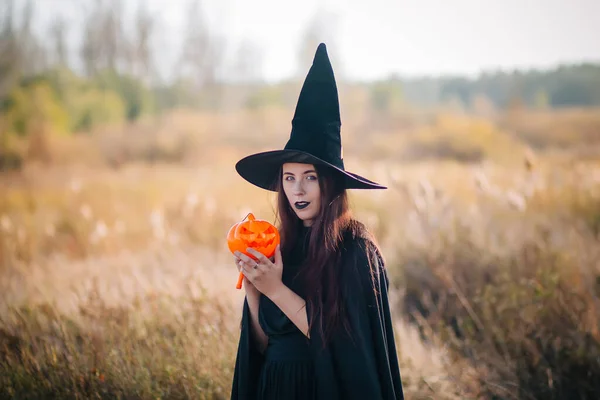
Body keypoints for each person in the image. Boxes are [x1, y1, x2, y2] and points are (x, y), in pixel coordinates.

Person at [230, 43, 404, 400]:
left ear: (331, 182)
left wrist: (276, 289)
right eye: (289, 178)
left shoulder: (355, 251)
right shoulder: (280, 246)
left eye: (310, 176)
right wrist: (255, 290)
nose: (298, 189)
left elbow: (343, 350)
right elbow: (263, 346)